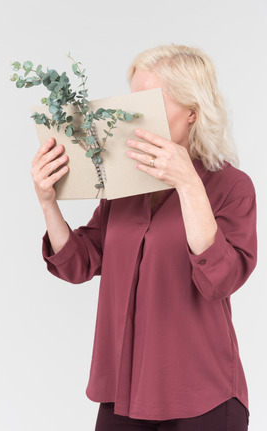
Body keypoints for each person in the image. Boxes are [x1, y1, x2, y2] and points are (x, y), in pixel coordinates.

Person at [31, 44, 257, 431]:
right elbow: (78, 263)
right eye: (132, 103)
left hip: (202, 395)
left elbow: (220, 280)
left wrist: (187, 183)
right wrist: (48, 202)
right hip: (123, 392)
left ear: (193, 111)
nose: (134, 118)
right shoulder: (123, 188)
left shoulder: (231, 186)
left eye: (150, 102)